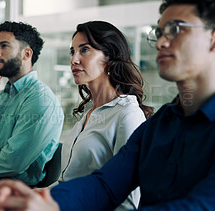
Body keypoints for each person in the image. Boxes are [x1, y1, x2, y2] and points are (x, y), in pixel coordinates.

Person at [0, 0, 215, 210]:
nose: (162, 41)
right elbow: (105, 185)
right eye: (160, 31)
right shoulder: (161, 125)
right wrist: (46, 201)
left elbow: (205, 206)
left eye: (175, 29)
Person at [59, 20, 153, 211]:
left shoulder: (127, 115)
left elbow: (128, 204)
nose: (73, 60)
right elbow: (67, 181)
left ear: (109, 58)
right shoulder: (90, 113)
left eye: (84, 50)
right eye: (72, 51)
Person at [0, 21, 64, 186]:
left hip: (15, 193)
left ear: (26, 54)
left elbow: (13, 163)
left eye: (4, 46)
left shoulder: (41, 99)